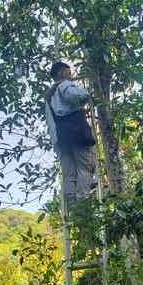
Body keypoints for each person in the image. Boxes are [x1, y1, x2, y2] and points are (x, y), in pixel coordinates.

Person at [45, 61, 97, 205]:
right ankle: (83, 203)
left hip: (62, 137)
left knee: (69, 173)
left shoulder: (50, 95)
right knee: (84, 167)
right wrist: (87, 93)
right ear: (62, 73)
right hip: (77, 132)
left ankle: (72, 204)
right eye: (68, 72)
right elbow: (76, 97)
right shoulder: (64, 85)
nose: (71, 75)